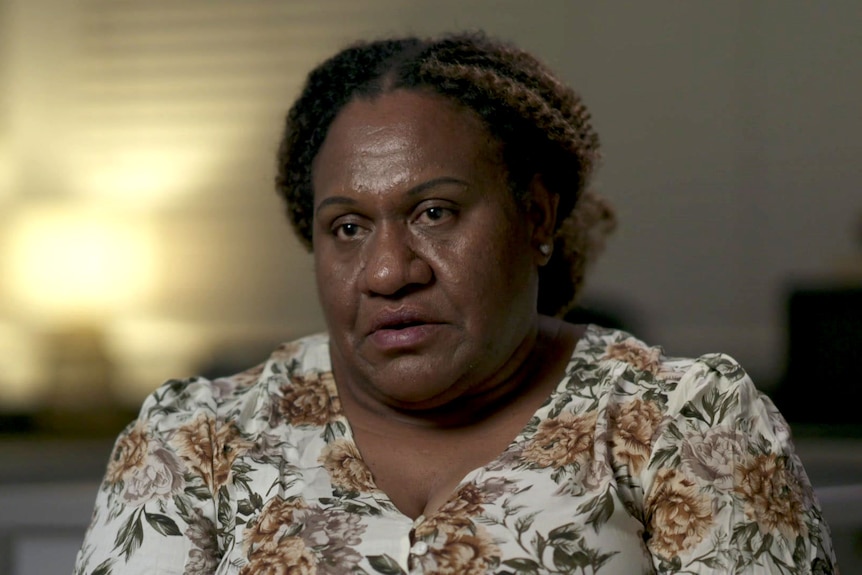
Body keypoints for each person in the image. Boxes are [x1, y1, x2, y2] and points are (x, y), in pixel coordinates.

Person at [74, 32, 838, 574]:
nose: (386, 271)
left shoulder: (685, 423)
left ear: (536, 217)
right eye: (347, 227)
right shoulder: (194, 442)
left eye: (434, 212)